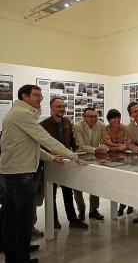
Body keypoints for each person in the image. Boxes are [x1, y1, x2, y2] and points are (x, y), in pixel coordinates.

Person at [0, 85, 86, 263]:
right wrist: (72, 155)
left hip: (13, 173)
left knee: (12, 217)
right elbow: (44, 139)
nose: (40, 99)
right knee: (23, 219)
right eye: (36, 95)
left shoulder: (17, 113)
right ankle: (20, 258)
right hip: (20, 174)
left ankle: (13, 254)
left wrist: (50, 157)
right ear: (24, 97)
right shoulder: (22, 114)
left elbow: (29, 145)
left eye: (40, 95)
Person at [40, 97, 89, 230]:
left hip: (66, 162)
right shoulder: (44, 124)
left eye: (63, 106)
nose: (62, 109)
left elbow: (71, 140)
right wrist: (50, 155)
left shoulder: (67, 121)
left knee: (68, 191)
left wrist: (76, 148)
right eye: (58, 106)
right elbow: (41, 144)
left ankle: (72, 219)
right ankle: (53, 219)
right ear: (51, 108)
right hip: (52, 162)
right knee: (52, 192)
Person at [74, 108, 109, 221]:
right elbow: (81, 145)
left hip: (95, 159)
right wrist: (96, 149)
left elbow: (104, 141)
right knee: (77, 185)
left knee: (94, 184)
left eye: (95, 116)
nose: (93, 119)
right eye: (90, 116)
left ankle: (93, 210)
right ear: (84, 117)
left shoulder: (101, 125)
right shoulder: (77, 126)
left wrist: (103, 146)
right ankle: (81, 209)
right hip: (80, 158)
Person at [101, 109, 133, 216]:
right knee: (118, 186)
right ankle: (121, 205)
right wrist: (119, 147)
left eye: (118, 117)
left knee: (128, 185)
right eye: (114, 118)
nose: (117, 120)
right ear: (109, 120)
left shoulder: (124, 128)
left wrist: (112, 147)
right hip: (112, 162)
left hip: (126, 161)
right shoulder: (105, 129)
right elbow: (106, 143)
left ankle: (128, 205)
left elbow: (127, 145)